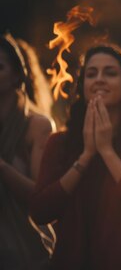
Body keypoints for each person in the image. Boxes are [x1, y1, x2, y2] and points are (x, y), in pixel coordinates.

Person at [30, 43, 121, 270]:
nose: (99, 79)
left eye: (111, 73)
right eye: (91, 74)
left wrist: (106, 151)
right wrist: (86, 155)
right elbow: (40, 211)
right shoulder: (59, 142)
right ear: (82, 85)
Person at [0, 33, 55, 269]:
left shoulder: (37, 125)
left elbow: (41, 200)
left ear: (16, 75)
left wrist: (2, 167)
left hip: (25, 252)